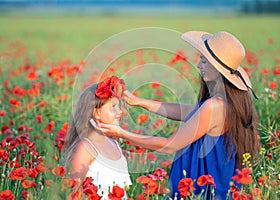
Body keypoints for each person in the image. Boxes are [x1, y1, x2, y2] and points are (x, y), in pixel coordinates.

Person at [92, 31, 259, 199]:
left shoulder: (214, 106)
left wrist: (121, 133)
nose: (199, 65)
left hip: (199, 191)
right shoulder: (227, 103)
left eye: (203, 61)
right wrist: (138, 101)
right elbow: (183, 110)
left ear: (218, 69)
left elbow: (169, 145)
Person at [63, 75, 132, 199]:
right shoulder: (85, 147)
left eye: (118, 107)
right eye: (113, 107)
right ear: (97, 113)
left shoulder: (114, 144)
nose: (120, 112)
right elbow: (75, 192)